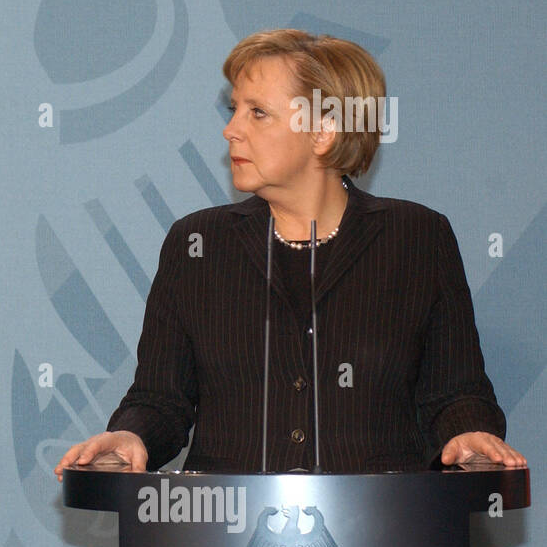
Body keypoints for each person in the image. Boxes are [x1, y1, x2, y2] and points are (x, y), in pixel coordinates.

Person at [56, 29, 525, 477]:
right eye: (234, 109)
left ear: (323, 131)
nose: (230, 131)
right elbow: (161, 399)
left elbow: (456, 392)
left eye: (257, 113)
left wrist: (469, 434)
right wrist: (130, 435)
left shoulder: (418, 239)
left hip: (387, 539)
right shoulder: (196, 245)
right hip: (220, 538)